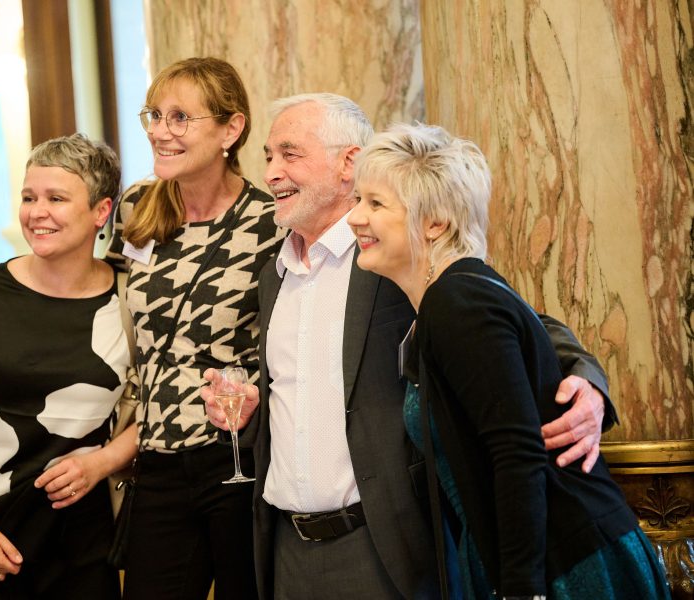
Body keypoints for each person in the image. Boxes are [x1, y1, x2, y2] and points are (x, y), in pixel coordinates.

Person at [203, 93, 616, 600]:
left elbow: (512, 319)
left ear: (349, 163)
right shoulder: (274, 275)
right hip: (287, 550)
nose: (271, 173)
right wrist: (254, 412)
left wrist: (588, 382)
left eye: (290, 154)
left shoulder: (394, 253)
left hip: (384, 547)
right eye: (268, 156)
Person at [0, 57, 286, 600]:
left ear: (231, 129)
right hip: (153, 462)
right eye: (154, 115)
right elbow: (92, 283)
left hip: (234, 458)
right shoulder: (139, 208)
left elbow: (290, 341)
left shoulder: (269, 223)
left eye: (180, 117)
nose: (159, 131)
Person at [345, 122, 669, 599]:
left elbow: (516, 452)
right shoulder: (456, 294)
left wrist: (522, 590)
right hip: (535, 555)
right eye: (358, 200)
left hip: (562, 562)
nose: (354, 217)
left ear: (435, 223)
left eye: (375, 204)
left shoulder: (458, 301)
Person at [0, 133, 135, 599]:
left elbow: (160, 409)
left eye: (56, 198)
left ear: (101, 211)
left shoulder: (131, 298)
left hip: (80, 537)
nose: (37, 212)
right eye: (28, 197)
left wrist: (102, 463)